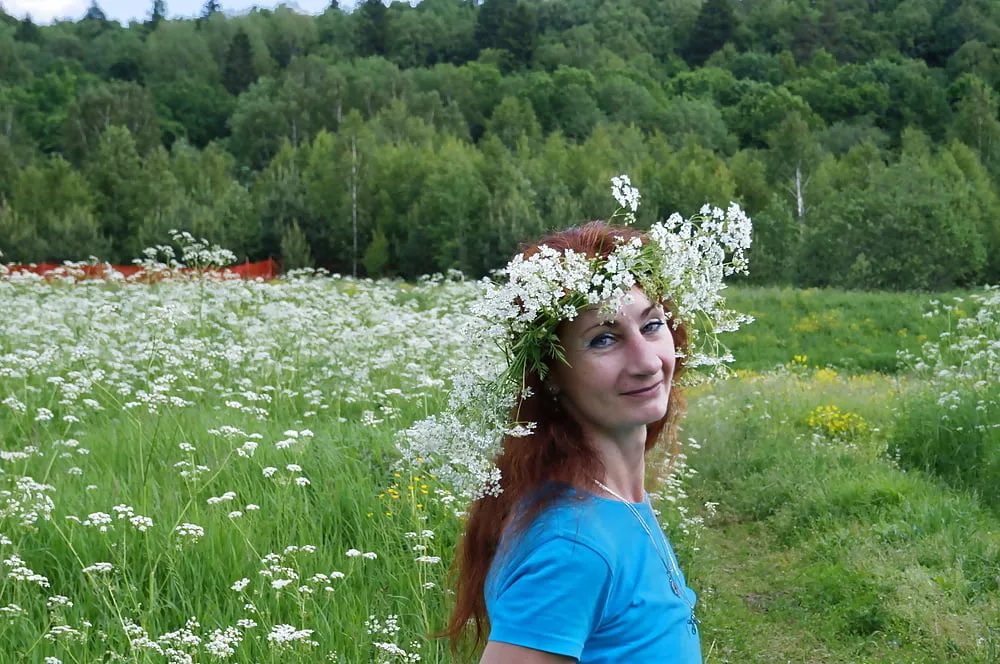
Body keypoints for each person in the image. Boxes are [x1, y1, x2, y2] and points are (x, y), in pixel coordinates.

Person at [443, 221, 703, 663]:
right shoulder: (572, 548)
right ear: (551, 375)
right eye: (604, 339)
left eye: (652, 324)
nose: (646, 362)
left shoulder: (615, 505)